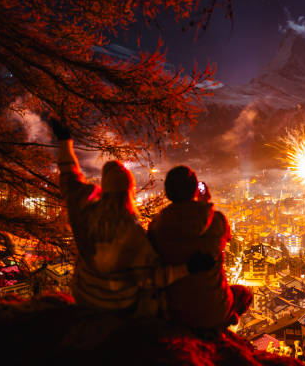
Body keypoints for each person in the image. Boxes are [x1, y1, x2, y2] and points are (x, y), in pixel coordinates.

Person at [51, 119, 213, 314]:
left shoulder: (86, 214)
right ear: (130, 191)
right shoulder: (132, 233)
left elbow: (71, 179)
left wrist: (65, 143)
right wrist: (188, 268)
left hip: (83, 294)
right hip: (117, 304)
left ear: (105, 188)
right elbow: (152, 277)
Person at [148, 166, 252, 329]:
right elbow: (227, 237)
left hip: (176, 310)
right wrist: (205, 203)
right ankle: (224, 322)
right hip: (215, 308)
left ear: (167, 193)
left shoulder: (156, 226)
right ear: (196, 190)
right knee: (245, 294)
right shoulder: (217, 221)